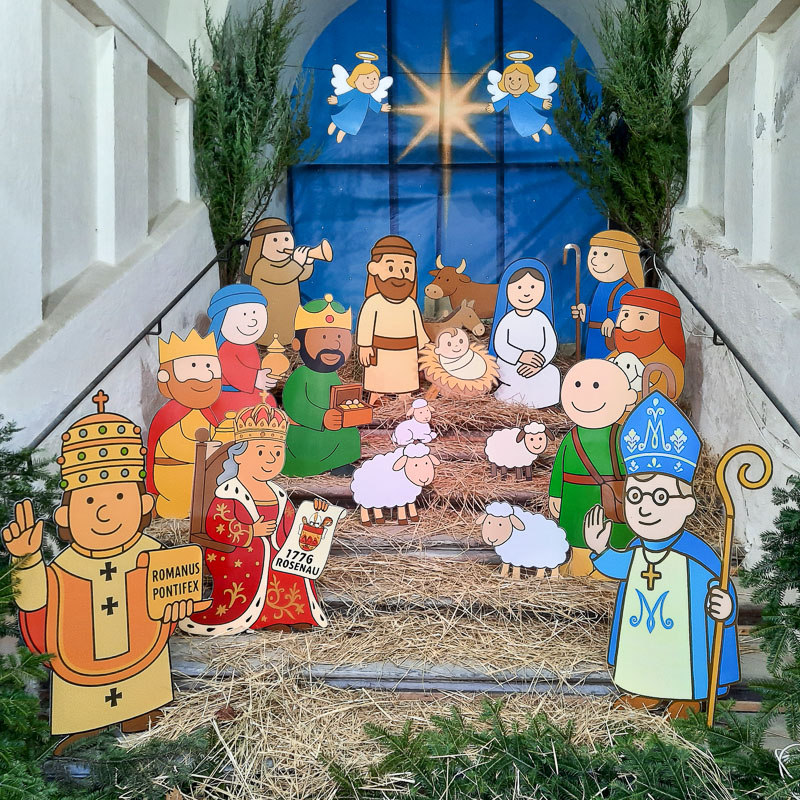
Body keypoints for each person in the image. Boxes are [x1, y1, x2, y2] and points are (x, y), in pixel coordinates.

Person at [2, 391, 200, 753]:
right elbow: (34, 603)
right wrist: (28, 560)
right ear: (65, 515)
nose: (104, 512)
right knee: (83, 699)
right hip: (78, 666)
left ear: (143, 504)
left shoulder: (151, 553)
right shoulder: (64, 568)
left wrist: (177, 606)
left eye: (120, 497)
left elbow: (172, 594)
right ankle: (84, 724)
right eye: (90, 500)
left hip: (145, 661)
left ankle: (142, 709)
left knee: (145, 686)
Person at [584, 392, 738, 718]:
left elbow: (720, 589)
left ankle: (689, 697)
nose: (645, 508)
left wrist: (726, 607)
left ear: (688, 504)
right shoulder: (637, 549)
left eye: (660, 497)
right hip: (643, 633)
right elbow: (621, 566)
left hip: (686, 638)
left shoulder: (697, 556)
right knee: (643, 649)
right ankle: (645, 690)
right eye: (635, 496)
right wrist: (601, 549)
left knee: (684, 651)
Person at [180, 401, 327, 634]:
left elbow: (290, 528)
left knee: (291, 563)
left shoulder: (278, 494)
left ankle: (296, 613)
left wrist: (315, 515)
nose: (270, 459)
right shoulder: (229, 493)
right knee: (269, 561)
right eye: (260, 452)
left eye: (276, 452)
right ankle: (266, 618)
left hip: (274, 546)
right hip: (240, 551)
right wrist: (251, 531)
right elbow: (217, 525)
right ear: (239, 456)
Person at [548, 360, 636, 577]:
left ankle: (610, 568)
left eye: (597, 386)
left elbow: (632, 466)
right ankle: (579, 566)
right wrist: (556, 493)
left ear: (628, 397)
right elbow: (560, 467)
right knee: (576, 533)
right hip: (575, 495)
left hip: (611, 495)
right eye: (577, 385)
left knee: (613, 531)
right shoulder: (572, 437)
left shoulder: (622, 436)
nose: (586, 395)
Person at [282, 295, 362, 478]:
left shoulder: (332, 376)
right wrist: (322, 417)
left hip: (330, 428)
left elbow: (335, 400)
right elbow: (296, 407)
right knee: (311, 444)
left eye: (339, 337)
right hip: (307, 430)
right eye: (324, 337)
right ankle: (309, 466)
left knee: (349, 433)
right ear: (297, 344)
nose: (334, 344)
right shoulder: (300, 376)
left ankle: (339, 464)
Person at [147, 331, 222, 519]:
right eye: (194, 366)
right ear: (165, 376)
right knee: (176, 505)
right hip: (174, 477)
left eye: (209, 366)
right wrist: (203, 451)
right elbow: (168, 446)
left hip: (202, 480)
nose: (205, 375)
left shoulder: (208, 414)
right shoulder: (168, 415)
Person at [356, 235, 430, 404]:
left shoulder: (411, 305)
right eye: (390, 268)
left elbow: (419, 330)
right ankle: (376, 399)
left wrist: (426, 349)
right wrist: (365, 346)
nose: (400, 275)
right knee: (378, 382)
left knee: (405, 382)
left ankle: (405, 401)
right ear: (374, 269)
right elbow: (366, 325)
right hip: (380, 352)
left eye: (407, 269)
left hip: (407, 353)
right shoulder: (373, 303)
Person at [489, 258, 560, 408]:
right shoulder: (507, 320)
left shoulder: (541, 319)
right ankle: (509, 400)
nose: (526, 293)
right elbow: (500, 344)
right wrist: (521, 356)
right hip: (511, 362)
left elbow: (550, 344)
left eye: (533, 287)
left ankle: (543, 404)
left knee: (552, 372)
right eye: (519, 287)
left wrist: (540, 363)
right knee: (512, 374)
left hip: (537, 363)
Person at [206, 284, 278, 421]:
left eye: (255, 313)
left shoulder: (248, 345)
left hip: (248, 392)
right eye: (244, 314)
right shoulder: (225, 348)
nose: (252, 320)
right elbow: (232, 370)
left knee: (268, 405)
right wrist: (255, 378)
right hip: (229, 397)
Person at [571, 230, 645, 360]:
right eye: (594, 253)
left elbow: (631, 312)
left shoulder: (627, 289)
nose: (595, 259)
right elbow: (600, 310)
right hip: (596, 337)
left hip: (611, 340)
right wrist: (586, 312)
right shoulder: (603, 285)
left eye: (605, 254)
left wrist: (613, 320)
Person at [243, 217, 315, 346]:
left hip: (289, 309)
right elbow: (282, 276)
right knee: (272, 332)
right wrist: (297, 262)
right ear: (261, 244)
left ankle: (290, 340)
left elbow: (301, 275)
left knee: (289, 328)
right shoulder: (261, 265)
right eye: (275, 240)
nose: (283, 244)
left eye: (286, 239)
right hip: (271, 313)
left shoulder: (289, 262)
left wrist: (308, 263)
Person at [607, 287, 686, 401]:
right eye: (625, 315)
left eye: (641, 317)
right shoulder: (616, 356)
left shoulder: (668, 363)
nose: (626, 325)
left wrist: (627, 400)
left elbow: (665, 396)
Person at [327, 53, 391, 143]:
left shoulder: (368, 96)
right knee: (341, 119)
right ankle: (333, 125)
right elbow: (346, 97)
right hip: (350, 110)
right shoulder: (355, 92)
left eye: (374, 79)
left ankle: (341, 133)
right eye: (367, 77)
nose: (371, 82)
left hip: (358, 115)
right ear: (355, 78)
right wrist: (337, 100)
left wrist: (381, 107)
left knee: (348, 127)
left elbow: (373, 103)